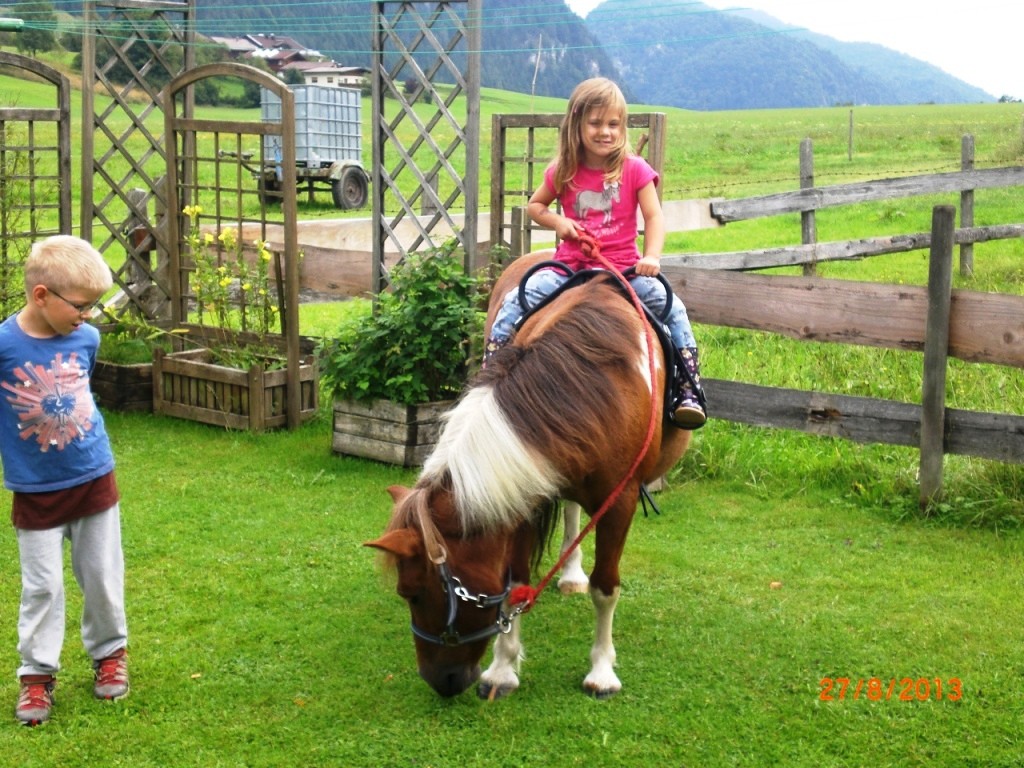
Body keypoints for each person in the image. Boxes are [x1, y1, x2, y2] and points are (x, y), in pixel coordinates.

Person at [486, 77, 706, 429]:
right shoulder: (564, 170)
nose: (605, 132)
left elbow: (653, 216)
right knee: (514, 300)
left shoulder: (635, 170)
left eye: (613, 124)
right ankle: (491, 374)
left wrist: (651, 256)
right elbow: (535, 206)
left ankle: (688, 387)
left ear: (622, 127)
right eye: (596, 123)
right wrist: (560, 224)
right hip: (569, 267)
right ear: (577, 124)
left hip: (624, 269)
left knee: (673, 310)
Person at [0, 235, 129, 726]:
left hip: (94, 478)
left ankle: (110, 653)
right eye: (81, 306)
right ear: (41, 296)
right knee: (43, 587)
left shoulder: (86, 339)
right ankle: (36, 677)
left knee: (100, 575)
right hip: (34, 491)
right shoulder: (4, 346)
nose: (88, 316)